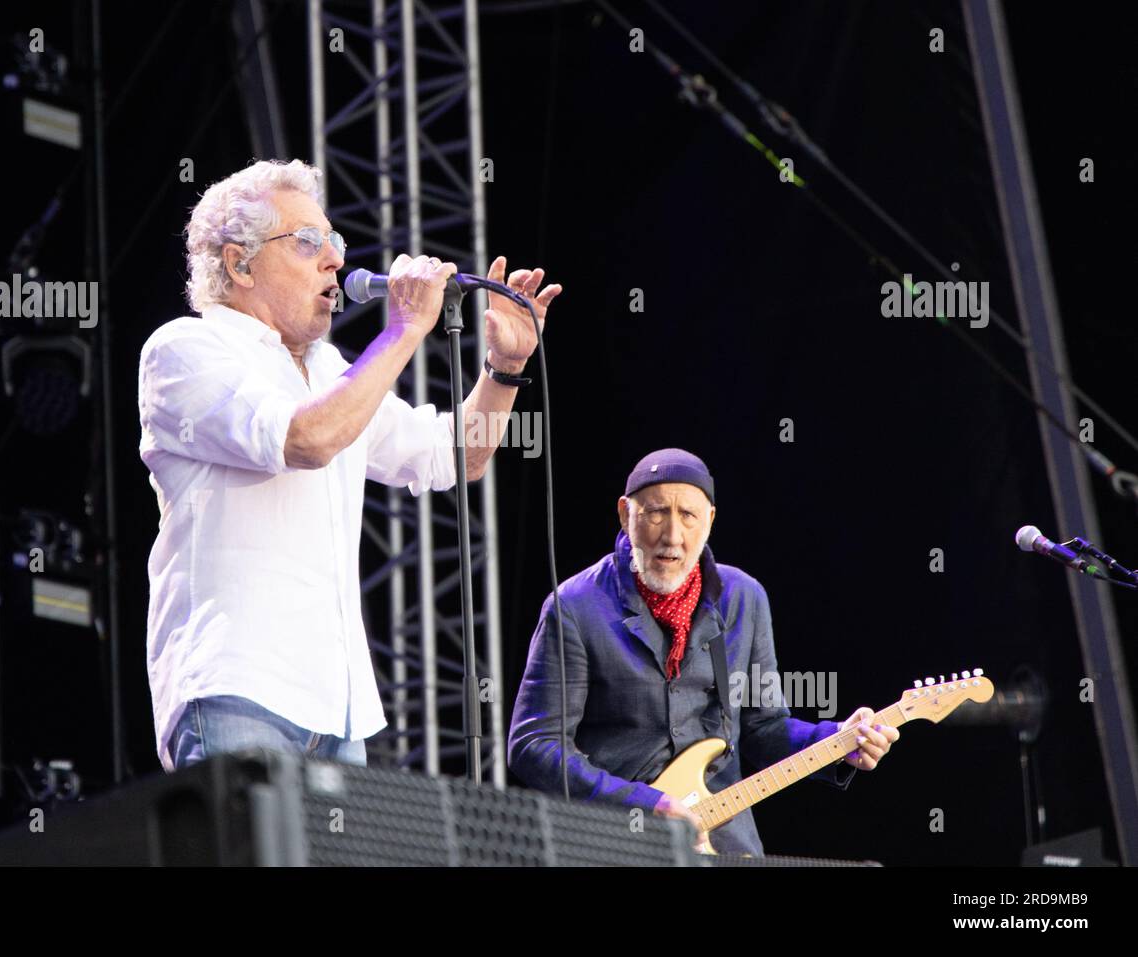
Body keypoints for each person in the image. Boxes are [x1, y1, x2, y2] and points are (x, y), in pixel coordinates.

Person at [138, 158, 561, 772]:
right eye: (307, 243)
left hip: (338, 711)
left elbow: (456, 456)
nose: (334, 259)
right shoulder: (186, 349)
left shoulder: (332, 369)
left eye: (333, 241)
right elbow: (305, 440)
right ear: (239, 263)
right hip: (237, 689)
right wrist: (406, 330)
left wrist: (504, 369)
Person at [507, 448, 897, 855]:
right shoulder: (574, 606)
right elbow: (535, 745)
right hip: (614, 843)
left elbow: (764, 728)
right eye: (656, 512)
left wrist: (836, 739)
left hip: (725, 843)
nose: (672, 536)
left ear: (709, 520)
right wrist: (645, 804)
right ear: (625, 514)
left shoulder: (744, 598)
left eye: (689, 516)